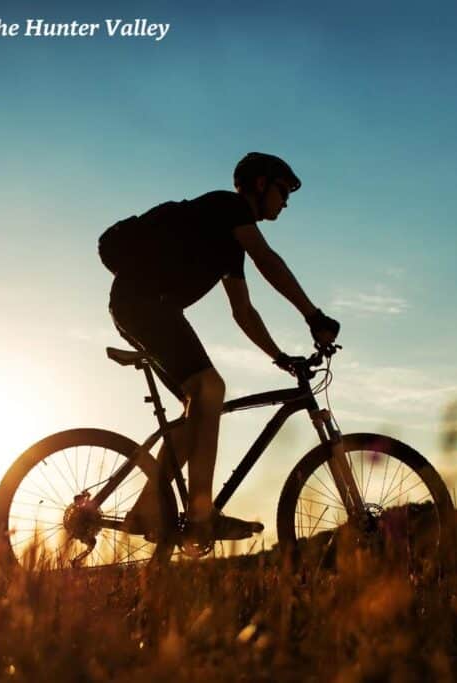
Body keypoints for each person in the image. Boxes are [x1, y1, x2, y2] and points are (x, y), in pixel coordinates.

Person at [99, 152, 340, 546]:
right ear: (260, 185)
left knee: (200, 403)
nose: (286, 202)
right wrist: (313, 315)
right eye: (283, 190)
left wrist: (280, 357)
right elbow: (268, 260)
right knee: (209, 388)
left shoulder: (230, 245)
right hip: (143, 305)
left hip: (145, 307)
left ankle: (148, 508)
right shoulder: (226, 206)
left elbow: (243, 311)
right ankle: (200, 513)